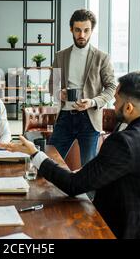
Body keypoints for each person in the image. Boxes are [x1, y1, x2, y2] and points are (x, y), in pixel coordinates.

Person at [2, 71, 140, 239]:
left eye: (116, 100)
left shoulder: (126, 142)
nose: (113, 104)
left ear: (129, 108)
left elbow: (73, 185)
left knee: (48, 225)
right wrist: (89, 171)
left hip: (127, 229)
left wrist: (35, 153)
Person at [49, 9, 116, 166]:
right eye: (78, 30)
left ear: (91, 30)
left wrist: (92, 102)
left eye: (86, 30)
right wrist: (59, 93)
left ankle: (88, 193)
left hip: (89, 118)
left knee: (89, 167)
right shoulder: (60, 56)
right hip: (64, 117)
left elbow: (111, 87)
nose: (82, 35)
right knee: (50, 162)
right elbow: (52, 85)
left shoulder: (102, 57)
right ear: (71, 29)